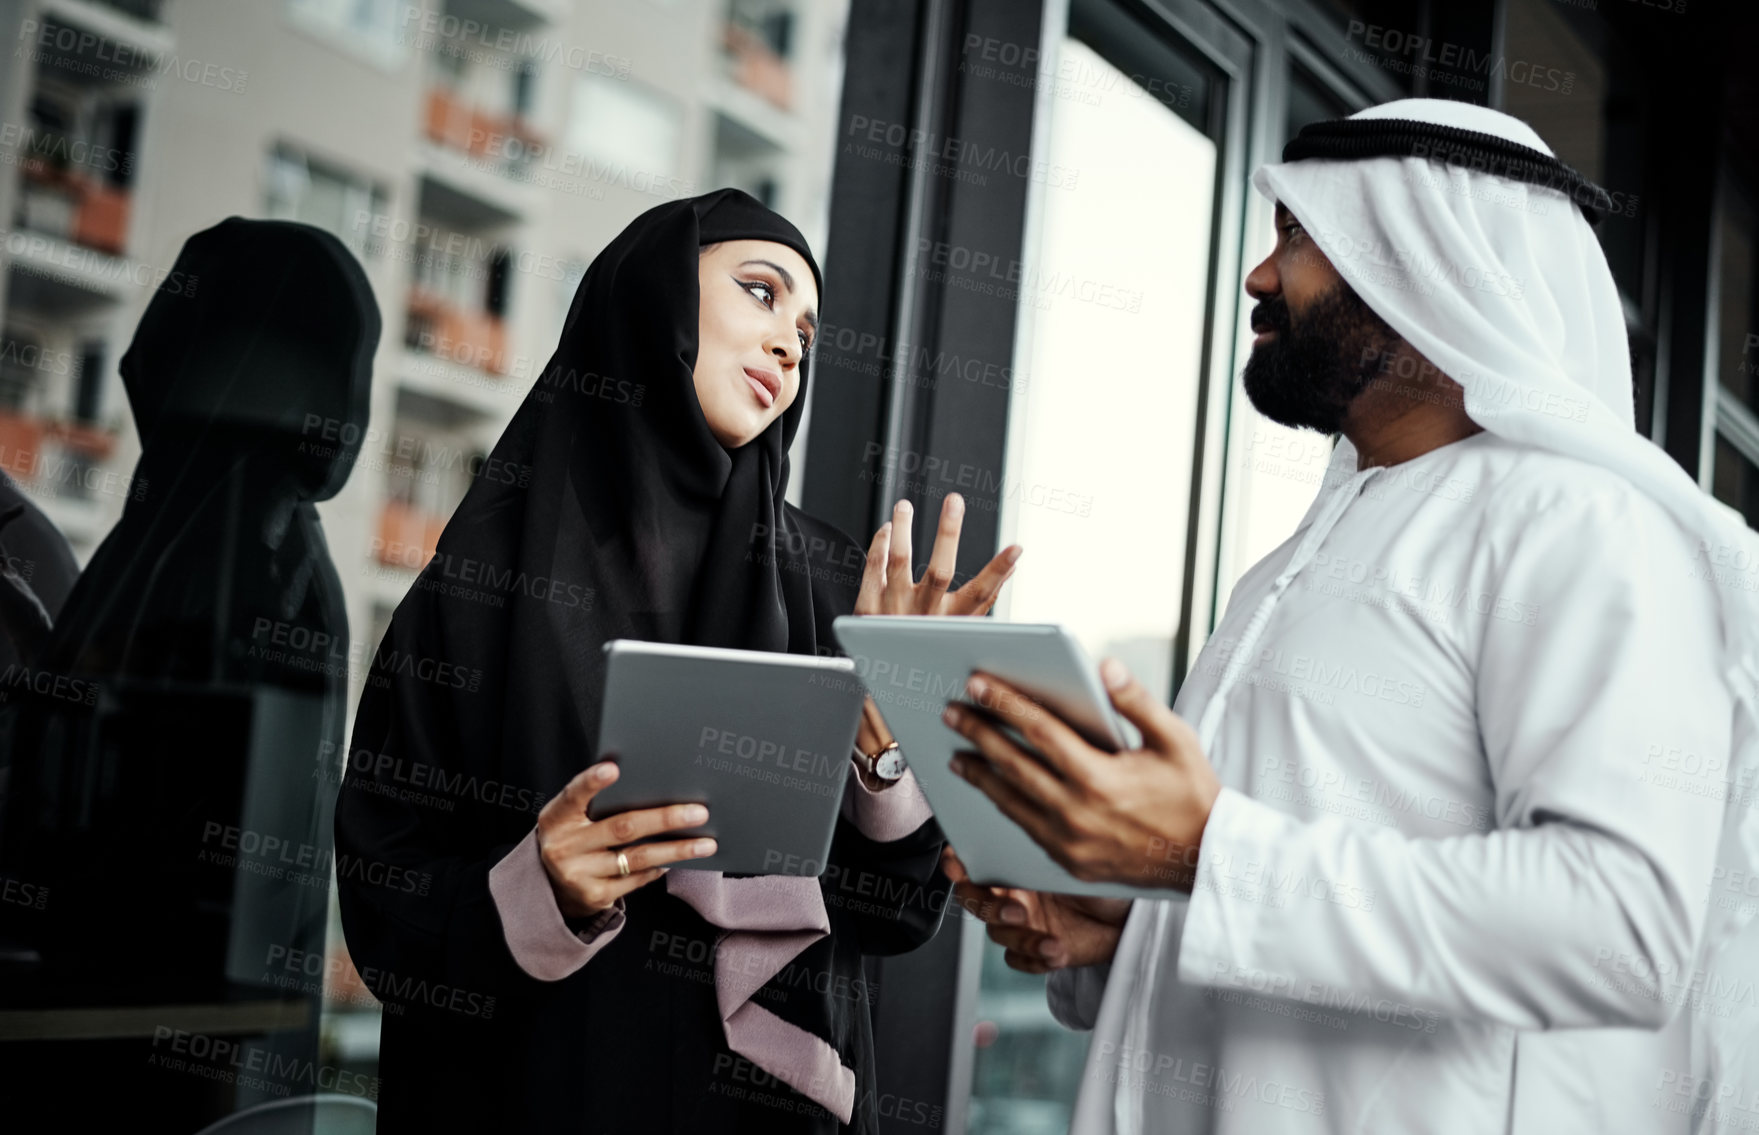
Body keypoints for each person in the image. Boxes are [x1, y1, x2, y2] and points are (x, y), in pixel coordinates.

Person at [938, 99, 1759, 1134]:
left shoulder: (1581, 526)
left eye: (1297, 238)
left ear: (1426, 260)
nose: (1260, 276)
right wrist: (1117, 920)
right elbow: (1277, 898)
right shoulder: (1285, 568)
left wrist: (1203, 856)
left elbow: (1618, 931)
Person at [333, 189, 1020, 1134]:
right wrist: (543, 885)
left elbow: (892, 917)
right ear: (651, 297)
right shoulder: (480, 583)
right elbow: (381, 900)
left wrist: (889, 753)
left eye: (807, 331)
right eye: (760, 292)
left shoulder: (832, 583)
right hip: (532, 1093)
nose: (789, 343)